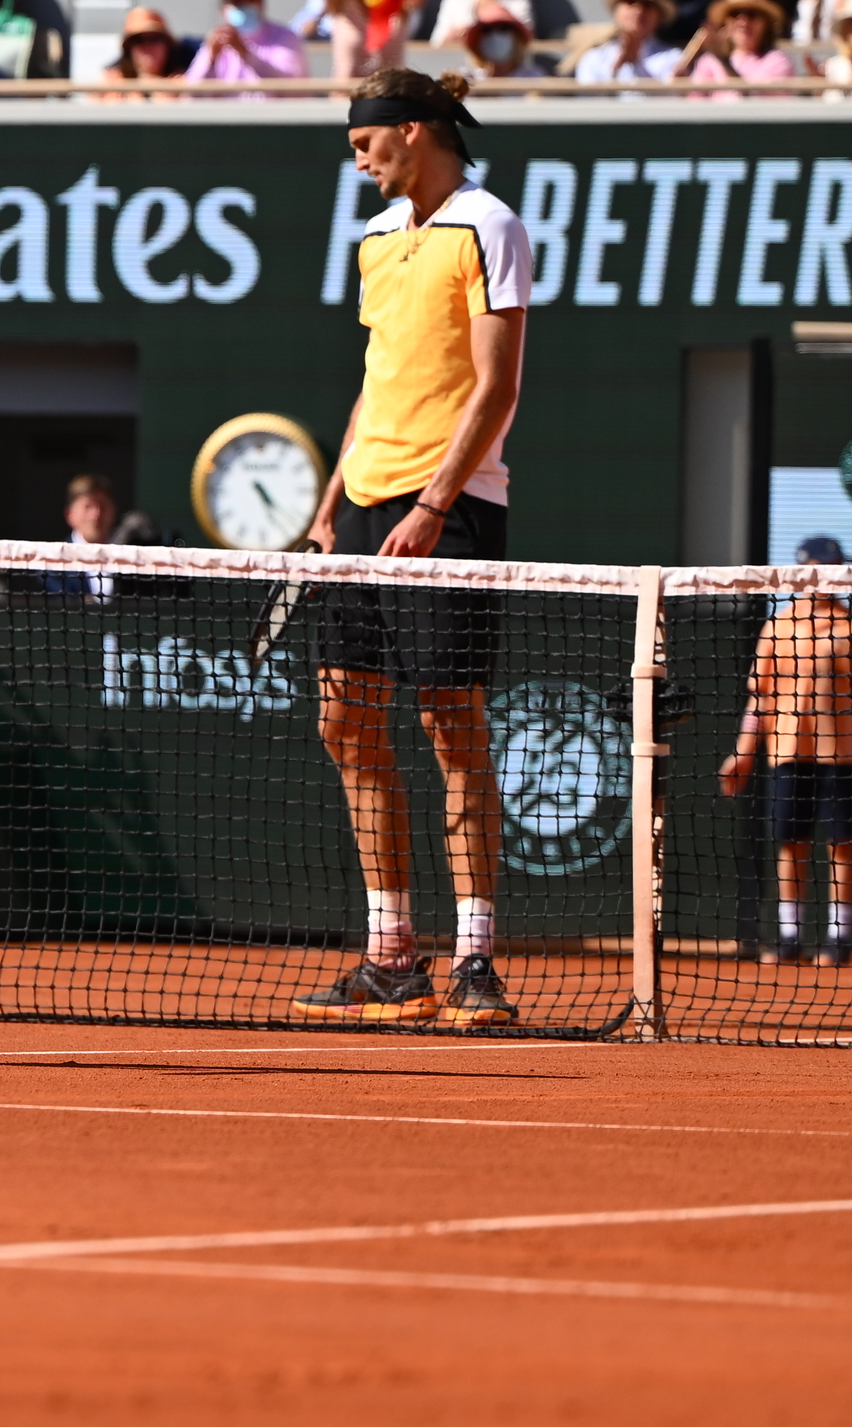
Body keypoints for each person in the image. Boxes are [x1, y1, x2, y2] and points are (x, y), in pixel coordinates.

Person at [294, 67, 528, 1030]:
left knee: (450, 725)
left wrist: (433, 502)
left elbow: (495, 385)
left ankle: (475, 960)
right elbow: (375, 379)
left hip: (453, 503)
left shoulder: (491, 223)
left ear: (417, 129)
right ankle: (392, 955)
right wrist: (327, 502)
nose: (359, 162)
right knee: (344, 723)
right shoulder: (377, 240)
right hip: (362, 499)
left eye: (365, 144)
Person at [719, 535, 852, 966]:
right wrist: (743, 751)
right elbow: (760, 697)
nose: (831, 576)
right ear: (804, 571)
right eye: (824, 567)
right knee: (790, 843)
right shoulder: (778, 626)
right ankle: (790, 937)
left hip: (842, 754)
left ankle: (839, 938)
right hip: (787, 753)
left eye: (836, 567)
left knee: (840, 844)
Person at [185, 0, 308, 92]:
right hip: (228, 112)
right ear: (223, 9)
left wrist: (244, 52)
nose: (244, 6)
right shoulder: (216, 41)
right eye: (237, 1)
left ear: (261, 3)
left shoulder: (285, 37)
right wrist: (210, 59)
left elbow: (289, 84)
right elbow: (191, 92)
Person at [572, 0, 676, 82]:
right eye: (630, 1)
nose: (638, 10)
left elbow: (670, 98)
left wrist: (636, 65)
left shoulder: (673, 59)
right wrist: (615, 70)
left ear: (659, 16)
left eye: (647, 4)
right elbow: (587, 97)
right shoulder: (594, 58)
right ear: (616, 11)